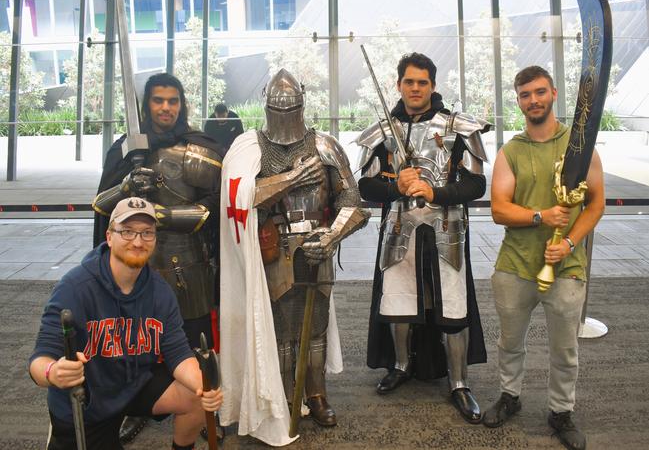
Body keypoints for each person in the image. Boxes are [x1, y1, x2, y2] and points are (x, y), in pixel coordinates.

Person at [218, 68, 369, 445]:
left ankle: (316, 394)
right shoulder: (249, 149)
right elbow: (242, 198)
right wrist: (292, 178)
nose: (284, 118)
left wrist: (332, 235)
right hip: (273, 249)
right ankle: (285, 396)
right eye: (276, 109)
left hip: (318, 246)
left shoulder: (326, 146)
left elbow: (352, 201)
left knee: (315, 327)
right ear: (265, 106)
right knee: (281, 330)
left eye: (291, 109)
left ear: (302, 104)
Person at [356, 52, 489, 423]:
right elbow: (365, 185)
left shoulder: (457, 127)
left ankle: (459, 382)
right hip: (399, 228)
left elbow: (476, 185)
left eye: (423, 82)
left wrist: (437, 194)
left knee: (453, 304)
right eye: (409, 82)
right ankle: (400, 365)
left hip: (447, 227)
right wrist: (395, 186)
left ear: (432, 85)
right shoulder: (383, 131)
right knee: (398, 299)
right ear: (399, 85)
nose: (415, 88)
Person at [29, 197, 223, 450]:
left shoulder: (160, 291)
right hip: (88, 404)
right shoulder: (74, 288)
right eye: (127, 232)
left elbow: (178, 354)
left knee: (194, 395)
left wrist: (204, 387)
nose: (138, 241)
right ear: (109, 237)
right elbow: (39, 360)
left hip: (134, 385)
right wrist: (53, 372)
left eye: (146, 233)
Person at [92, 72, 222, 443]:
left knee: (197, 341)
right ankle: (132, 407)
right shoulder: (125, 150)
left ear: (181, 104)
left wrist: (167, 217)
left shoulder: (198, 148)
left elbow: (218, 206)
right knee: (131, 339)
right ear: (146, 105)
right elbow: (102, 205)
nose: (166, 108)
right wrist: (127, 186)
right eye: (158, 101)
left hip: (188, 261)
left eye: (173, 101)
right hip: (134, 261)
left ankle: (204, 408)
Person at [483, 66, 604, 450]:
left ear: (553, 93)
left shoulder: (580, 145)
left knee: (565, 348)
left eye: (538, 92)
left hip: (565, 266)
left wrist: (568, 244)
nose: (532, 100)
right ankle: (509, 396)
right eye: (524, 95)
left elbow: (596, 203)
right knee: (509, 341)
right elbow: (499, 209)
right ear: (518, 101)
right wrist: (541, 216)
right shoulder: (512, 151)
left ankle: (561, 411)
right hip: (515, 265)